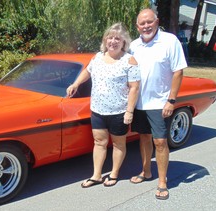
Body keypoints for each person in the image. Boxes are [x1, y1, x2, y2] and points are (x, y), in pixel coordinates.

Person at [66, 23, 140, 188]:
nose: (113, 41)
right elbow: (87, 71)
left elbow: (134, 87)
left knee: (118, 144)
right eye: (110, 37)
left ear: (123, 42)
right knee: (99, 142)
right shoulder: (98, 57)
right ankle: (97, 175)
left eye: (117, 38)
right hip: (98, 110)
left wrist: (129, 111)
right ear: (105, 39)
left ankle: (114, 173)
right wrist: (75, 84)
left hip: (119, 112)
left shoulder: (129, 60)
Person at [128, 9, 187, 200]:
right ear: (137, 27)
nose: (146, 26)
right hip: (139, 103)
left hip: (160, 102)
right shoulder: (134, 46)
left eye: (149, 22)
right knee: (144, 137)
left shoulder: (170, 41)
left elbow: (178, 72)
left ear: (157, 21)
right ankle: (146, 172)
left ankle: (162, 181)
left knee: (160, 141)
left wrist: (171, 100)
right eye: (142, 23)